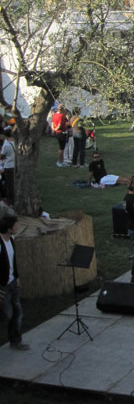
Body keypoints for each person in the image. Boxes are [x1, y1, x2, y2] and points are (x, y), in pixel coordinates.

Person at [0, 215, 28, 350]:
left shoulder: (11, 240)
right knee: (8, 314)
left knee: (18, 312)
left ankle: (16, 341)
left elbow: (13, 261)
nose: (17, 227)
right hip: (3, 286)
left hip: (13, 283)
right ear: (9, 228)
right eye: (15, 225)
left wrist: (17, 277)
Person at [0, 130, 15, 205]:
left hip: (8, 166)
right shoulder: (16, 142)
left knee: (9, 185)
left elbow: (1, 156)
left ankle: (10, 201)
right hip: (15, 165)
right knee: (14, 184)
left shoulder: (6, 144)